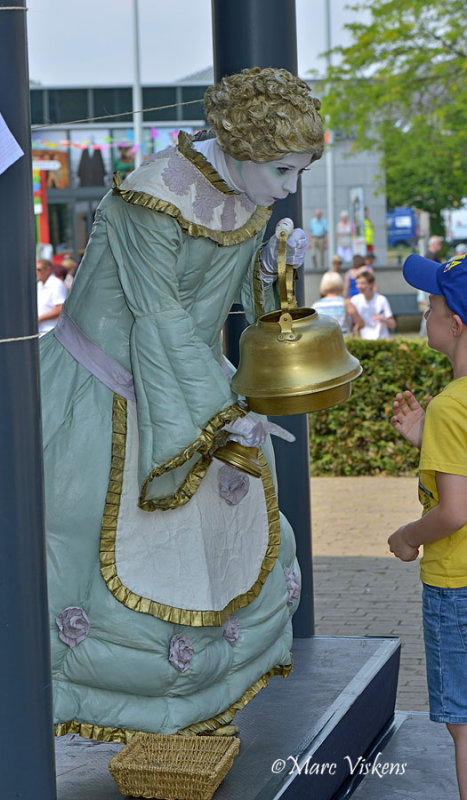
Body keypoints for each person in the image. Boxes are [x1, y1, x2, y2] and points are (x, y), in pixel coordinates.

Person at [39, 67, 325, 742]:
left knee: (217, 544)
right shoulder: (151, 195)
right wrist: (221, 417)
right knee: (81, 532)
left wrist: (274, 273)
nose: (287, 189)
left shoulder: (248, 196)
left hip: (187, 383)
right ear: (243, 148)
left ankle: (199, 702)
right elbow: (159, 318)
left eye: (297, 173)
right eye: (283, 171)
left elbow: (244, 314)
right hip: (110, 387)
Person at [388, 251, 467, 800]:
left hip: (456, 588)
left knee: (464, 723)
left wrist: (406, 536)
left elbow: (455, 512)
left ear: (456, 324)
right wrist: (426, 444)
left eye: (432, 304)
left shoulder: (450, 408)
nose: (425, 312)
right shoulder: (447, 412)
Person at [348, 270, 396, 339]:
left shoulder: (382, 300)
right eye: (357, 283)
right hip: (362, 340)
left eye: (362, 283)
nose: (359, 286)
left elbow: (393, 325)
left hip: (381, 339)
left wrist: (383, 319)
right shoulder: (354, 300)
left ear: (371, 284)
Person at [36, 258, 67, 335]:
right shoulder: (39, 285)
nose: (36, 272)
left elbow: (60, 309)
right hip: (40, 331)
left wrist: (39, 319)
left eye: (39, 270)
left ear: (48, 270)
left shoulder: (56, 284)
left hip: (51, 332)